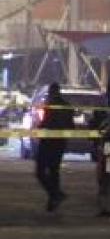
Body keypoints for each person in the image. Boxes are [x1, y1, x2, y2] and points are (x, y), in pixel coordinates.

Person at [35, 83, 74, 212]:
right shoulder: (66, 106)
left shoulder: (50, 105)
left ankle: (54, 195)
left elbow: (47, 122)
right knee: (54, 171)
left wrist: (39, 129)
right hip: (60, 142)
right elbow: (71, 126)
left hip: (48, 142)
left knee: (40, 171)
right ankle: (54, 198)